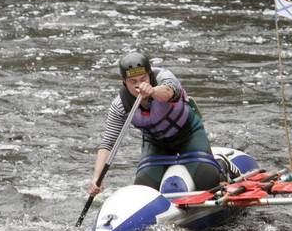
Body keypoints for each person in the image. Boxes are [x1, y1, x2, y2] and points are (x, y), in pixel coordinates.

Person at [88, 51, 226, 196]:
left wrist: (152, 91)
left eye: (143, 79)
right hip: (156, 143)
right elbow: (108, 143)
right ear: (124, 83)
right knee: (143, 189)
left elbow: (168, 92)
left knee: (207, 179)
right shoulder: (120, 105)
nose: (139, 85)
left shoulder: (164, 77)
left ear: (150, 75)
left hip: (188, 134)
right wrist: (97, 177)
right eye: (132, 82)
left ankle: (222, 165)